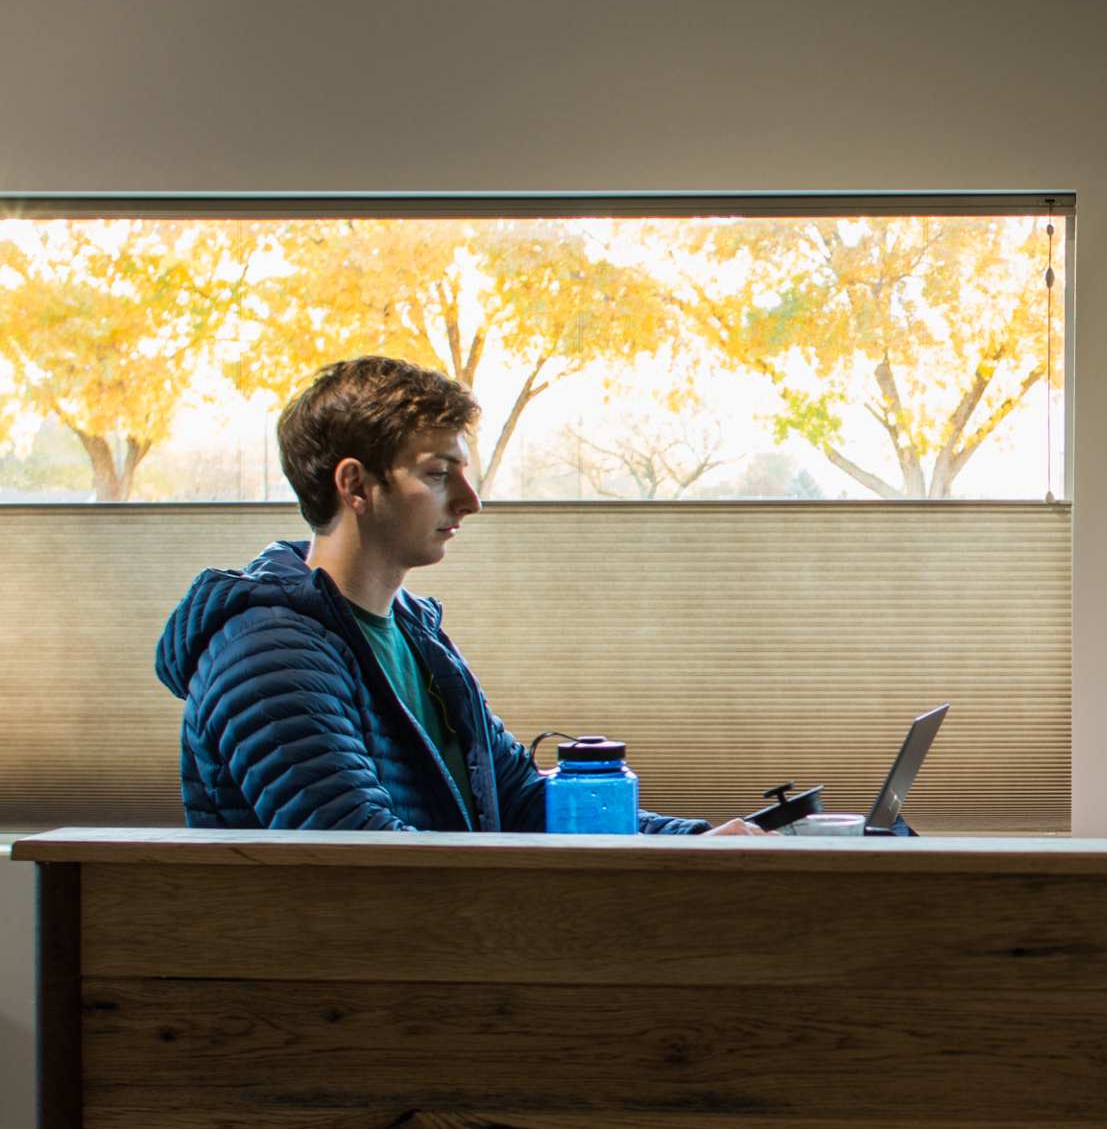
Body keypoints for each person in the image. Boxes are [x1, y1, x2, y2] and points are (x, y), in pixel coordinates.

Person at [155, 355, 757, 834]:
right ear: (355, 485)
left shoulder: (415, 632)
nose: (471, 501)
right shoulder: (267, 653)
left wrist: (694, 840)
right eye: (439, 475)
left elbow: (517, 800)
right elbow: (363, 861)